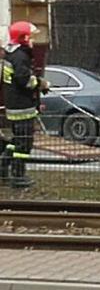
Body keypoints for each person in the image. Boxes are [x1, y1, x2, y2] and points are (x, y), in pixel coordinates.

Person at [0, 21, 50, 188]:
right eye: (31, 36)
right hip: (22, 107)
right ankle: (18, 176)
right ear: (24, 37)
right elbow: (24, 80)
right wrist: (40, 84)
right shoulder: (20, 56)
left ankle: (3, 166)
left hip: (15, 105)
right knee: (24, 143)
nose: (33, 40)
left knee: (16, 140)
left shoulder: (12, 54)